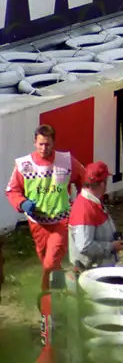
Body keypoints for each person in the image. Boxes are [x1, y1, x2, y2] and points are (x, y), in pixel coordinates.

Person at [4, 124, 84, 292]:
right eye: (40, 144)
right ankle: (67, 289)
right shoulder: (23, 165)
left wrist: (80, 206)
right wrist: (22, 203)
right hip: (37, 223)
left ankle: (46, 302)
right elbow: (12, 190)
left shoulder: (66, 161)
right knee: (49, 263)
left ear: (53, 143)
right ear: (35, 142)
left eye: (47, 144)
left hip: (61, 221)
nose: (44, 148)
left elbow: (84, 179)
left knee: (49, 264)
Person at [68, 161, 123, 273]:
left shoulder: (93, 201)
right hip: (92, 272)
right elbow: (85, 246)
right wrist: (111, 246)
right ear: (102, 183)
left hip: (97, 268)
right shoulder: (84, 209)